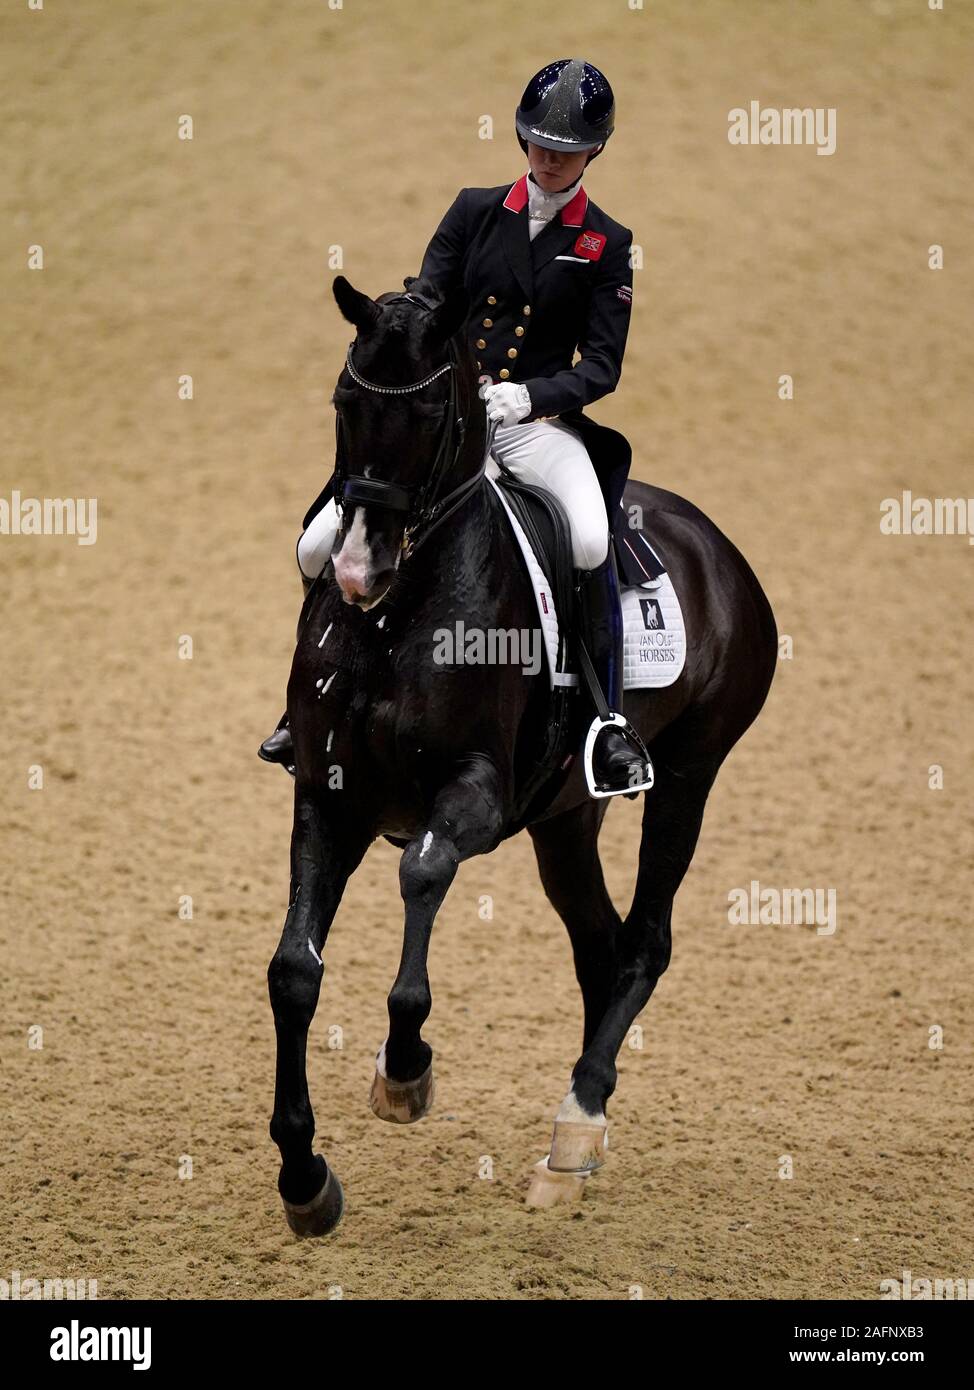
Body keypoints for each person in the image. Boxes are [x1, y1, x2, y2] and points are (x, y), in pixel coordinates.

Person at [260, 57, 650, 796]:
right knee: (316, 546)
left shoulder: (607, 242)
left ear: (595, 150)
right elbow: (426, 298)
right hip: (447, 423)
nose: (548, 157)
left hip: (536, 426)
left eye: (565, 148)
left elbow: (601, 367)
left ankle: (607, 724)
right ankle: (302, 704)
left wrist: (531, 396)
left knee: (594, 538)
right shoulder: (474, 211)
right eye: (538, 143)